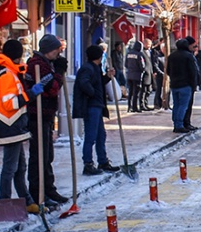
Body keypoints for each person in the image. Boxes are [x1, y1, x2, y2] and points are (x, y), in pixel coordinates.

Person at [0, 38, 33, 208]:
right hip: (9, 125)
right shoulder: (6, 75)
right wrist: (30, 95)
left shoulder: (8, 72)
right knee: (11, 167)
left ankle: (25, 200)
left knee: (20, 167)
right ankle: (5, 203)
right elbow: (10, 104)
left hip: (13, 126)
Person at [25, 34, 68, 206]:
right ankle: (38, 192)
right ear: (49, 49)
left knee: (47, 155)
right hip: (38, 114)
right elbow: (51, 89)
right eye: (57, 49)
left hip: (47, 115)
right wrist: (58, 74)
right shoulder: (37, 65)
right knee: (39, 156)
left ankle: (49, 189)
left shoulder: (46, 64)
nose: (59, 53)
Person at [72, 44, 119, 176]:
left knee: (100, 135)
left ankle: (102, 161)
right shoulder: (88, 68)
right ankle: (88, 163)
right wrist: (93, 93)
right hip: (91, 106)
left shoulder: (95, 68)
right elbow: (84, 83)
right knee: (91, 136)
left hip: (97, 105)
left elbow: (96, 83)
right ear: (99, 56)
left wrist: (107, 77)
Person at [168, 36, 200, 133]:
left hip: (174, 84)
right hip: (185, 85)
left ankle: (176, 124)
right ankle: (180, 125)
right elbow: (193, 72)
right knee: (183, 105)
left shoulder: (171, 56)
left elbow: (168, 70)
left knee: (176, 105)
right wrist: (194, 84)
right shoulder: (188, 56)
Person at [124, 39, 146, 112]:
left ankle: (129, 107)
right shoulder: (139, 54)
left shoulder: (128, 53)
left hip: (129, 75)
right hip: (137, 76)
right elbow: (142, 66)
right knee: (136, 92)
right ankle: (135, 107)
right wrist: (142, 70)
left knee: (130, 92)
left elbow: (126, 64)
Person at [149, 42, 167, 110]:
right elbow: (155, 66)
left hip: (166, 76)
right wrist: (161, 73)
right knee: (158, 90)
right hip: (159, 76)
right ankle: (157, 104)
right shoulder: (157, 56)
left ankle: (164, 103)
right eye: (164, 48)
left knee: (166, 90)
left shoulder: (166, 56)